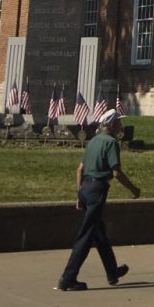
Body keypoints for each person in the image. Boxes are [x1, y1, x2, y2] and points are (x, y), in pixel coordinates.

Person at [57, 107, 141, 290]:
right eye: (118, 121)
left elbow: (79, 169)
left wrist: (79, 193)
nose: (121, 124)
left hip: (85, 188)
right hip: (97, 190)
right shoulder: (111, 142)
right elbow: (116, 173)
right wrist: (134, 189)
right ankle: (68, 278)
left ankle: (112, 272)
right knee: (86, 235)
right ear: (110, 124)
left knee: (99, 232)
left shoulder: (93, 141)